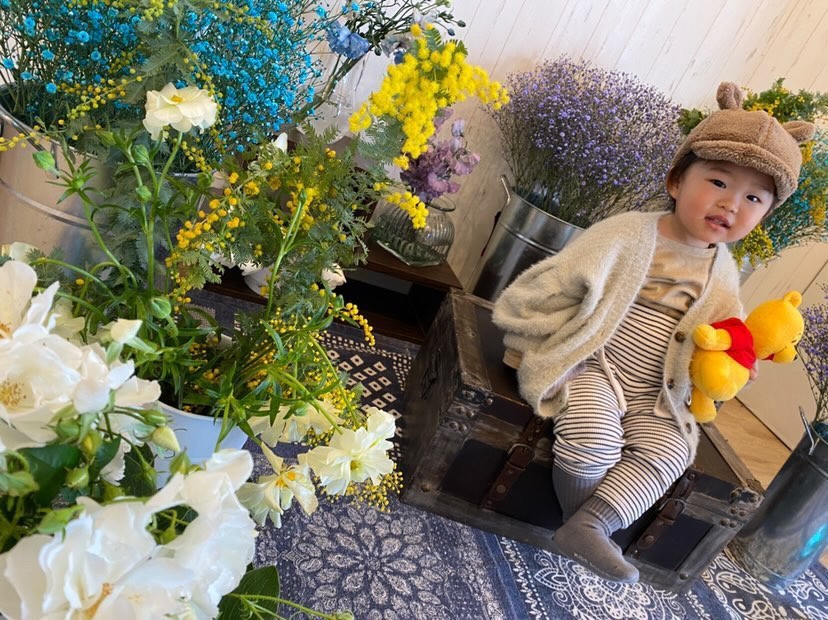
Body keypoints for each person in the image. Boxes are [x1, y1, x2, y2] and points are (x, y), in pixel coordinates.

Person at [491, 82, 814, 583]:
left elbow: (726, 335)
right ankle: (577, 523)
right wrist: (534, 341)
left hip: (660, 388)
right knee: (593, 439)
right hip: (596, 362)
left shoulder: (725, 273)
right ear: (676, 181)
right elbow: (558, 281)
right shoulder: (627, 232)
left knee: (670, 453)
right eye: (718, 182)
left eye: (753, 197)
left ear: (765, 215)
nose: (731, 203)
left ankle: (592, 524)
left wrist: (735, 363)